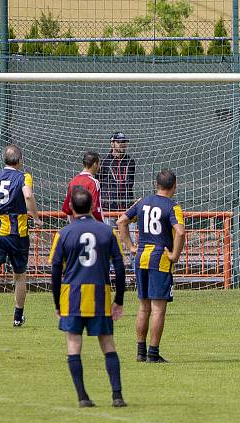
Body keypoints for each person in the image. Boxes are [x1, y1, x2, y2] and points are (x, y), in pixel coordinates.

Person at [50, 187, 127, 407]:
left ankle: (83, 397)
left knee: (74, 344)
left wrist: (57, 303)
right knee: (108, 344)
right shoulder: (107, 232)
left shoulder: (63, 233)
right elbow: (120, 268)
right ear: (93, 206)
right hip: (99, 296)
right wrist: (119, 300)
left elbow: (55, 270)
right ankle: (117, 395)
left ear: (71, 208)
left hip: (72, 296)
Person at [116, 169, 185, 364]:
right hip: (160, 261)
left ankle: (140, 351)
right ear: (175, 186)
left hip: (141, 258)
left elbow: (121, 221)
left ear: (156, 185)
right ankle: (153, 353)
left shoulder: (142, 202)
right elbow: (180, 232)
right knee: (158, 309)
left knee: (143, 308)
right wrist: (174, 255)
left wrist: (130, 247)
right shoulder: (173, 206)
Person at [0, 144, 43, 329]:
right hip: (18, 234)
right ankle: (17, 317)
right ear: (19, 160)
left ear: (4, 160)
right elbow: (28, 196)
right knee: (20, 276)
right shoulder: (24, 177)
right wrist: (36, 217)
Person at [100, 132, 136, 226]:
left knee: (130, 238)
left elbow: (131, 183)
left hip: (127, 208)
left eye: (124, 142)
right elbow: (99, 182)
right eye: (119, 142)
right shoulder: (104, 162)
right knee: (109, 237)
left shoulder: (130, 161)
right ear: (112, 143)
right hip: (109, 208)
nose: (123, 144)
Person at [62, 151, 103, 223]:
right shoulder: (93, 182)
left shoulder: (72, 181)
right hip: (91, 225)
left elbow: (68, 209)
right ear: (94, 164)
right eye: (99, 163)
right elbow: (94, 209)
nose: (99, 166)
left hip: (76, 224)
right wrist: (100, 226)